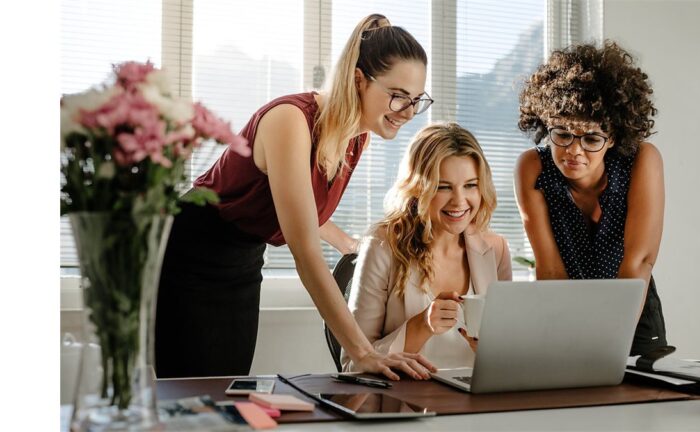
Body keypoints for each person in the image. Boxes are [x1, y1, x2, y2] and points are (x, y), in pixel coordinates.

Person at [155, 14, 438, 380]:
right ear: (358, 80)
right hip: (191, 254)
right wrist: (364, 354)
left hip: (243, 259)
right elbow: (304, 250)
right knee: (190, 394)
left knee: (225, 387)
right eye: (399, 97)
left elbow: (308, 212)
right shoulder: (291, 119)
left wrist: (357, 247)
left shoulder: (357, 136)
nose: (410, 113)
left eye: (417, 100)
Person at [514, 41, 668, 356]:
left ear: (613, 138)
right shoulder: (532, 167)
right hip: (565, 301)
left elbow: (638, 262)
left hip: (633, 307)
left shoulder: (642, 160)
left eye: (592, 138)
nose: (574, 150)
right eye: (563, 133)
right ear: (547, 124)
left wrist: (611, 341)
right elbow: (551, 269)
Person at [342, 123, 512, 372]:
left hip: (476, 406)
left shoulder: (495, 250)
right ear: (418, 188)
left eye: (471, 185)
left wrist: (493, 352)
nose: (459, 201)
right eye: (443, 187)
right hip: (408, 405)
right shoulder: (383, 246)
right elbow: (354, 365)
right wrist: (422, 326)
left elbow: (510, 358)